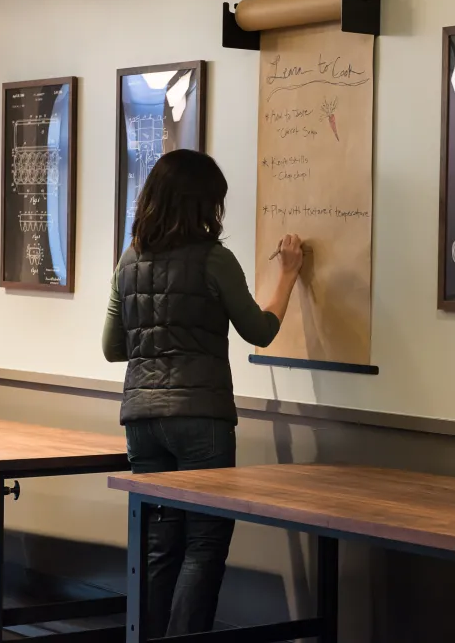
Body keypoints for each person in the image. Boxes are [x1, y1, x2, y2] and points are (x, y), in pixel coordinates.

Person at [102, 148, 303, 636]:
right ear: (203, 204)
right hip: (202, 420)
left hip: (142, 420)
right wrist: (288, 276)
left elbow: (113, 348)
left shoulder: (129, 261)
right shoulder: (215, 260)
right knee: (205, 543)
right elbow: (259, 330)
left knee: (159, 543)